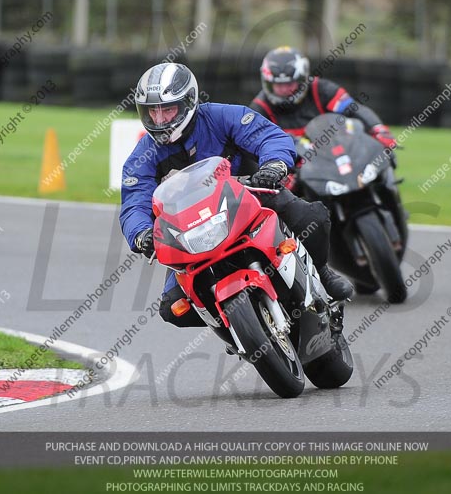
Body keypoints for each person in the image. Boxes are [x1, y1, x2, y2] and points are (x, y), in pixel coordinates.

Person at [119, 62, 353, 327]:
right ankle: (235, 328)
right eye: (152, 113)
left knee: (312, 217)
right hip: (190, 231)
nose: (160, 121)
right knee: (172, 309)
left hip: (249, 198)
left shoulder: (223, 116)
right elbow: (134, 201)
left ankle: (320, 272)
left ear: (189, 102)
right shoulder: (143, 155)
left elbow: (268, 136)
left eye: (168, 110)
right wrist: (140, 233)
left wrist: (274, 164)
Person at [249, 46, 406, 249]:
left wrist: (379, 130)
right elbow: (255, 147)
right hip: (301, 167)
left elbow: (355, 110)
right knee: (285, 208)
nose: (284, 90)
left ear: (303, 78)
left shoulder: (321, 89)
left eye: (290, 84)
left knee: (382, 158)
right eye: (278, 85)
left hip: (340, 152)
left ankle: (391, 199)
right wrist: (277, 171)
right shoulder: (259, 109)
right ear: (267, 82)